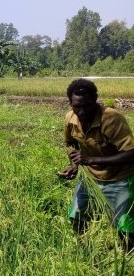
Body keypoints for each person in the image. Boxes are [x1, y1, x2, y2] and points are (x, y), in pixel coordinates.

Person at [58, 78, 134, 251]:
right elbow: (72, 144)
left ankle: (127, 258)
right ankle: (85, 251)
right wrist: (75, 166)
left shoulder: (111, 119)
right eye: (76, 106)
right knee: (77, 217)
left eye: (87, 105)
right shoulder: (70, 118)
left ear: (95, 100)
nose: (82, 111)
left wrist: (90, 160)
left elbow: (131, 153)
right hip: (90, 177)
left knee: (125, 227)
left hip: (119, 178)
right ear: (70, 103)